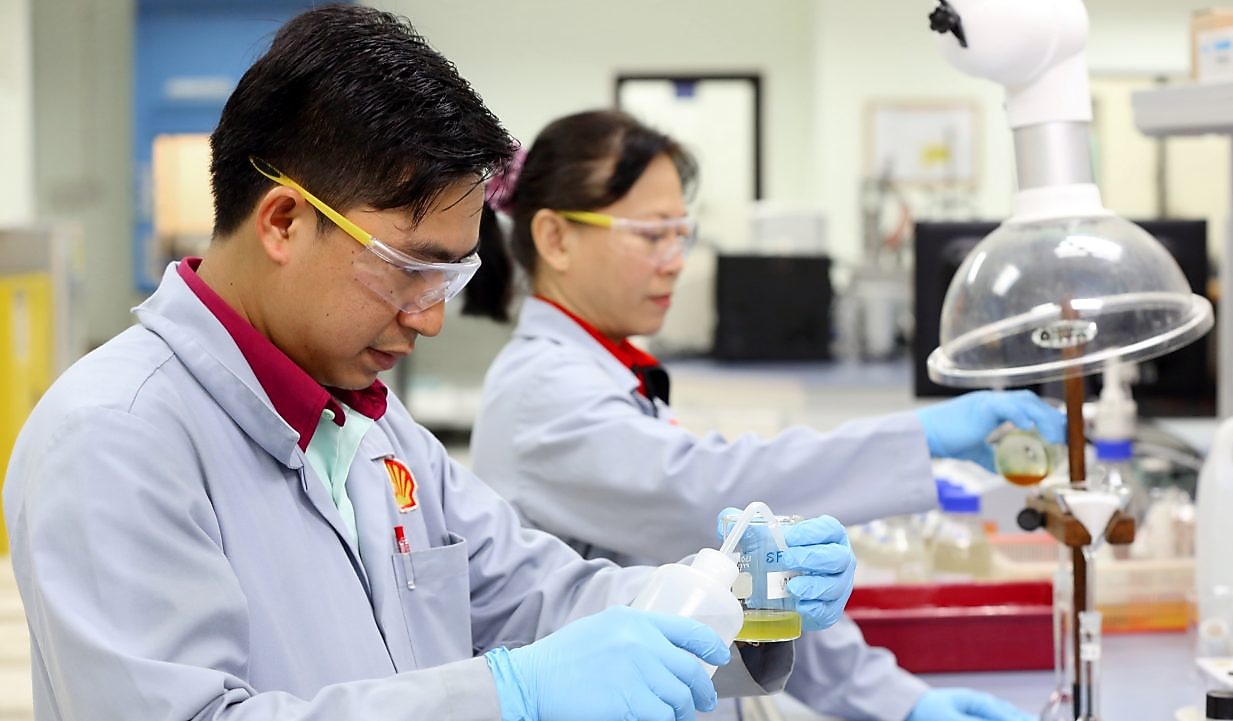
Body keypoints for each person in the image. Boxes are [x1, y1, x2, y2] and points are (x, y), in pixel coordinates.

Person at [2, 8, 859, 721]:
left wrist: (735, 604)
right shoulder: (114, 436)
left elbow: (538, 595)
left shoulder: (371, 425)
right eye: (412, 266)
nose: (435, 315)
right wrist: (509, 696)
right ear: (283, 222)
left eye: (454, 274)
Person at [464, 109, 1062, 721]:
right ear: (556, 238)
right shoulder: (542, 392)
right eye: (651, 234)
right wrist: (920, 437)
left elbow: (751, 570)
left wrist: (903, 702)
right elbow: (707, 492)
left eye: (682, 233)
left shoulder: (608, 372)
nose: (675, 260)